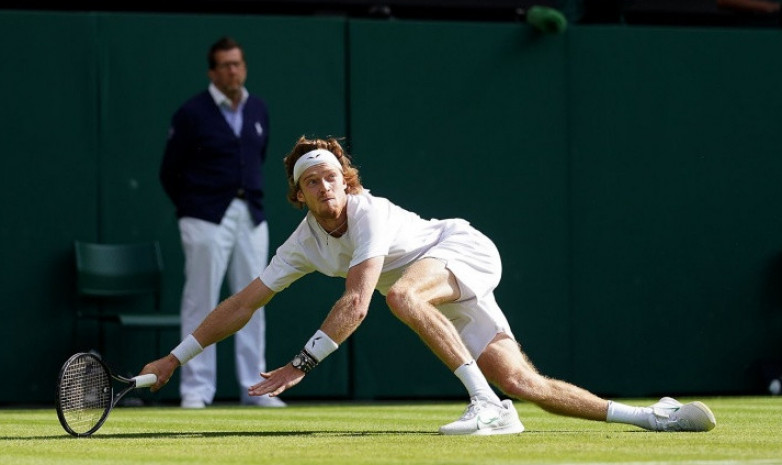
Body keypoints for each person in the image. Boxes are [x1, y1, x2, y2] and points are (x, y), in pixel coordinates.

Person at [144, 135, 716, 434]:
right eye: (311, 182)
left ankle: (484, 407)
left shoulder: (368, 213)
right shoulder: (302, 243)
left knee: (401, 296)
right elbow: (243, 304)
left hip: (461, 250)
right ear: (299, 196)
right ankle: (653, 416)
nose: (325, 188)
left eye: (332, 177)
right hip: (439, 283)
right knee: (525, 384)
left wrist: (300, 365)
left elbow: (356, 302)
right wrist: (176, 357)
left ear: (346, 183)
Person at [159, 36, 284, 408]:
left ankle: (255, 387)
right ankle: (196, 390)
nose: (233, 70)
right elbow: (169, 171)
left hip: (251, 216)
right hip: (204, 217)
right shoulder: (191, 113)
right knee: (201, 301)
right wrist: (192, 209)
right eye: (225, 65)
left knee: (255, 299)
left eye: (238, 63)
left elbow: (257, 157)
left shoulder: (258, 109)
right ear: (212, 72)